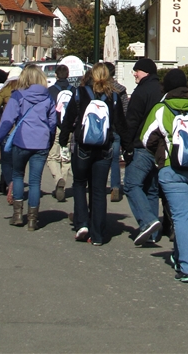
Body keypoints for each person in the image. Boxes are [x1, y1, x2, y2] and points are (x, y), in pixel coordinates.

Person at [141, 69, 188, 283]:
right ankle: (180, 253)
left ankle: (187, 268)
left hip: (171, 171)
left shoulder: (161, 109)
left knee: (180, 217)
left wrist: (163, 151)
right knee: (186, 216)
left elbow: (146, 139)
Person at [60, 62, 126, 244]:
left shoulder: (80, 93)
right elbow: (121, 124)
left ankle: (82, 223)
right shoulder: (113, 97)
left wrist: (63, 139)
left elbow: (68, 118)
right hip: (105, 147)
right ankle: (97, 234)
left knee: (80, 184)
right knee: (98, 191)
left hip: (83, 146)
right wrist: (127, 147)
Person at [0, 63, 56, 231]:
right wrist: (50, 141)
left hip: (22, 141)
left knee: (18, 175)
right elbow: (53, 123)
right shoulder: (48, 97)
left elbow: (6, 121)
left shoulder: (18, 95)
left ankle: (18, 215)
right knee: (35, 181)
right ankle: (33, 219)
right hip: (41, 142)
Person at [122, 57, 164, 245]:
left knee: (131, 184)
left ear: (145, 72)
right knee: (152, 189)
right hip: (160, 148)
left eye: (136, 70)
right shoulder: (163, 91)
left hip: (142, 146)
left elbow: (132, 121)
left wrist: (127, 145)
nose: (134, 74)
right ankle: (153, 234)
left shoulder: (141, 92)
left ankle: (147, 222)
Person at [46, 64, 73, 202]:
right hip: (70, 128)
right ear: (68, 75)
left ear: (56, 75)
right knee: (66, 157)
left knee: (52, 156)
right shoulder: (74, 90)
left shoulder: (50, 91)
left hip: (56, 127)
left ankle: (58, 179)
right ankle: (63, 180)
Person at [105, 61, 128, 201]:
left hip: (101, 129)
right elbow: (125, 110)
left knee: (100, 159)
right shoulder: (121, 90)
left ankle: (99, 186)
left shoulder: (100, 89)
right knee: (114, 159)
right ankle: (115, 187)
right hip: (116, 127)